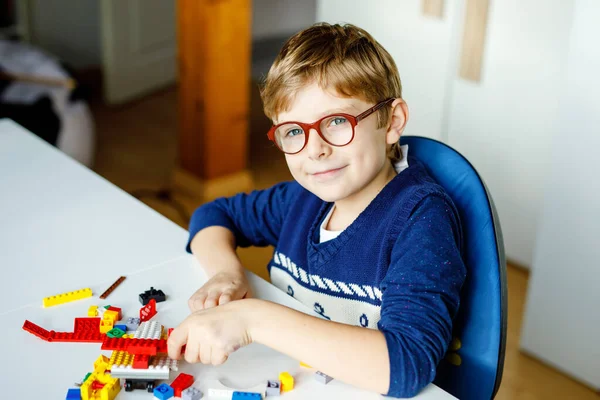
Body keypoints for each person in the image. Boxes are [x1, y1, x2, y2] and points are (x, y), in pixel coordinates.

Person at [167, 22, 466, 398]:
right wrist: (226, 274)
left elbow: (406, 364)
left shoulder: (420, 219)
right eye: (293, 131)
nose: (315, 150)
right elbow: (212, 216)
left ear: (392, 121)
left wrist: (251, 319)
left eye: (337, 121)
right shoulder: (304, 199)